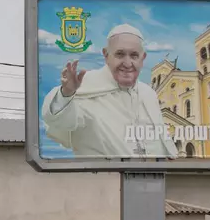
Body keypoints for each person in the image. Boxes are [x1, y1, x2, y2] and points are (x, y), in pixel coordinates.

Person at [41, 24, 178, 158]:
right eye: (120, 54)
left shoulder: (148, 93)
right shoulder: (84, 86)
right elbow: (62, 122)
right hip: (102, 178)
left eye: (134, 55)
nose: (127, 63)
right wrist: (66, 94)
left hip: (154, 176)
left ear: (143, 58)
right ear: (106, 55)